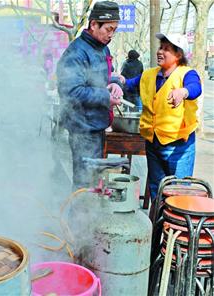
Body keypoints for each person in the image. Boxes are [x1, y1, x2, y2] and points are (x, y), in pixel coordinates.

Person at [120, 33, 202, 200]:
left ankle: (175, 226)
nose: (160, 52)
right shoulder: (149, 75)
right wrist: (117, 82)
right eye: (160, 47)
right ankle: (158, 225)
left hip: (179, 145)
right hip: (153, 142)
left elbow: (195, 88)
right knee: (157, 190)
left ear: (178, 55)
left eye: (166, 49)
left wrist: (183, 91)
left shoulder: (187, 74)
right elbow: (128, 84)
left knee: (178, 193)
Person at [56, 1, 123, 188]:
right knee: (84, 182)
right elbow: (71, 91)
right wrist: (105, 97)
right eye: (108, 29)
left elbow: (107, 76)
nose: (111, 35)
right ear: (94, 24)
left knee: (93, 180)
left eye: (114, 30)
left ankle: (88, 214)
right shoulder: (76, 53)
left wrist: (115, 84)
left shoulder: (102, 48)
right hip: (82, 128)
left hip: (96, 125)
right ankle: (78, 216)